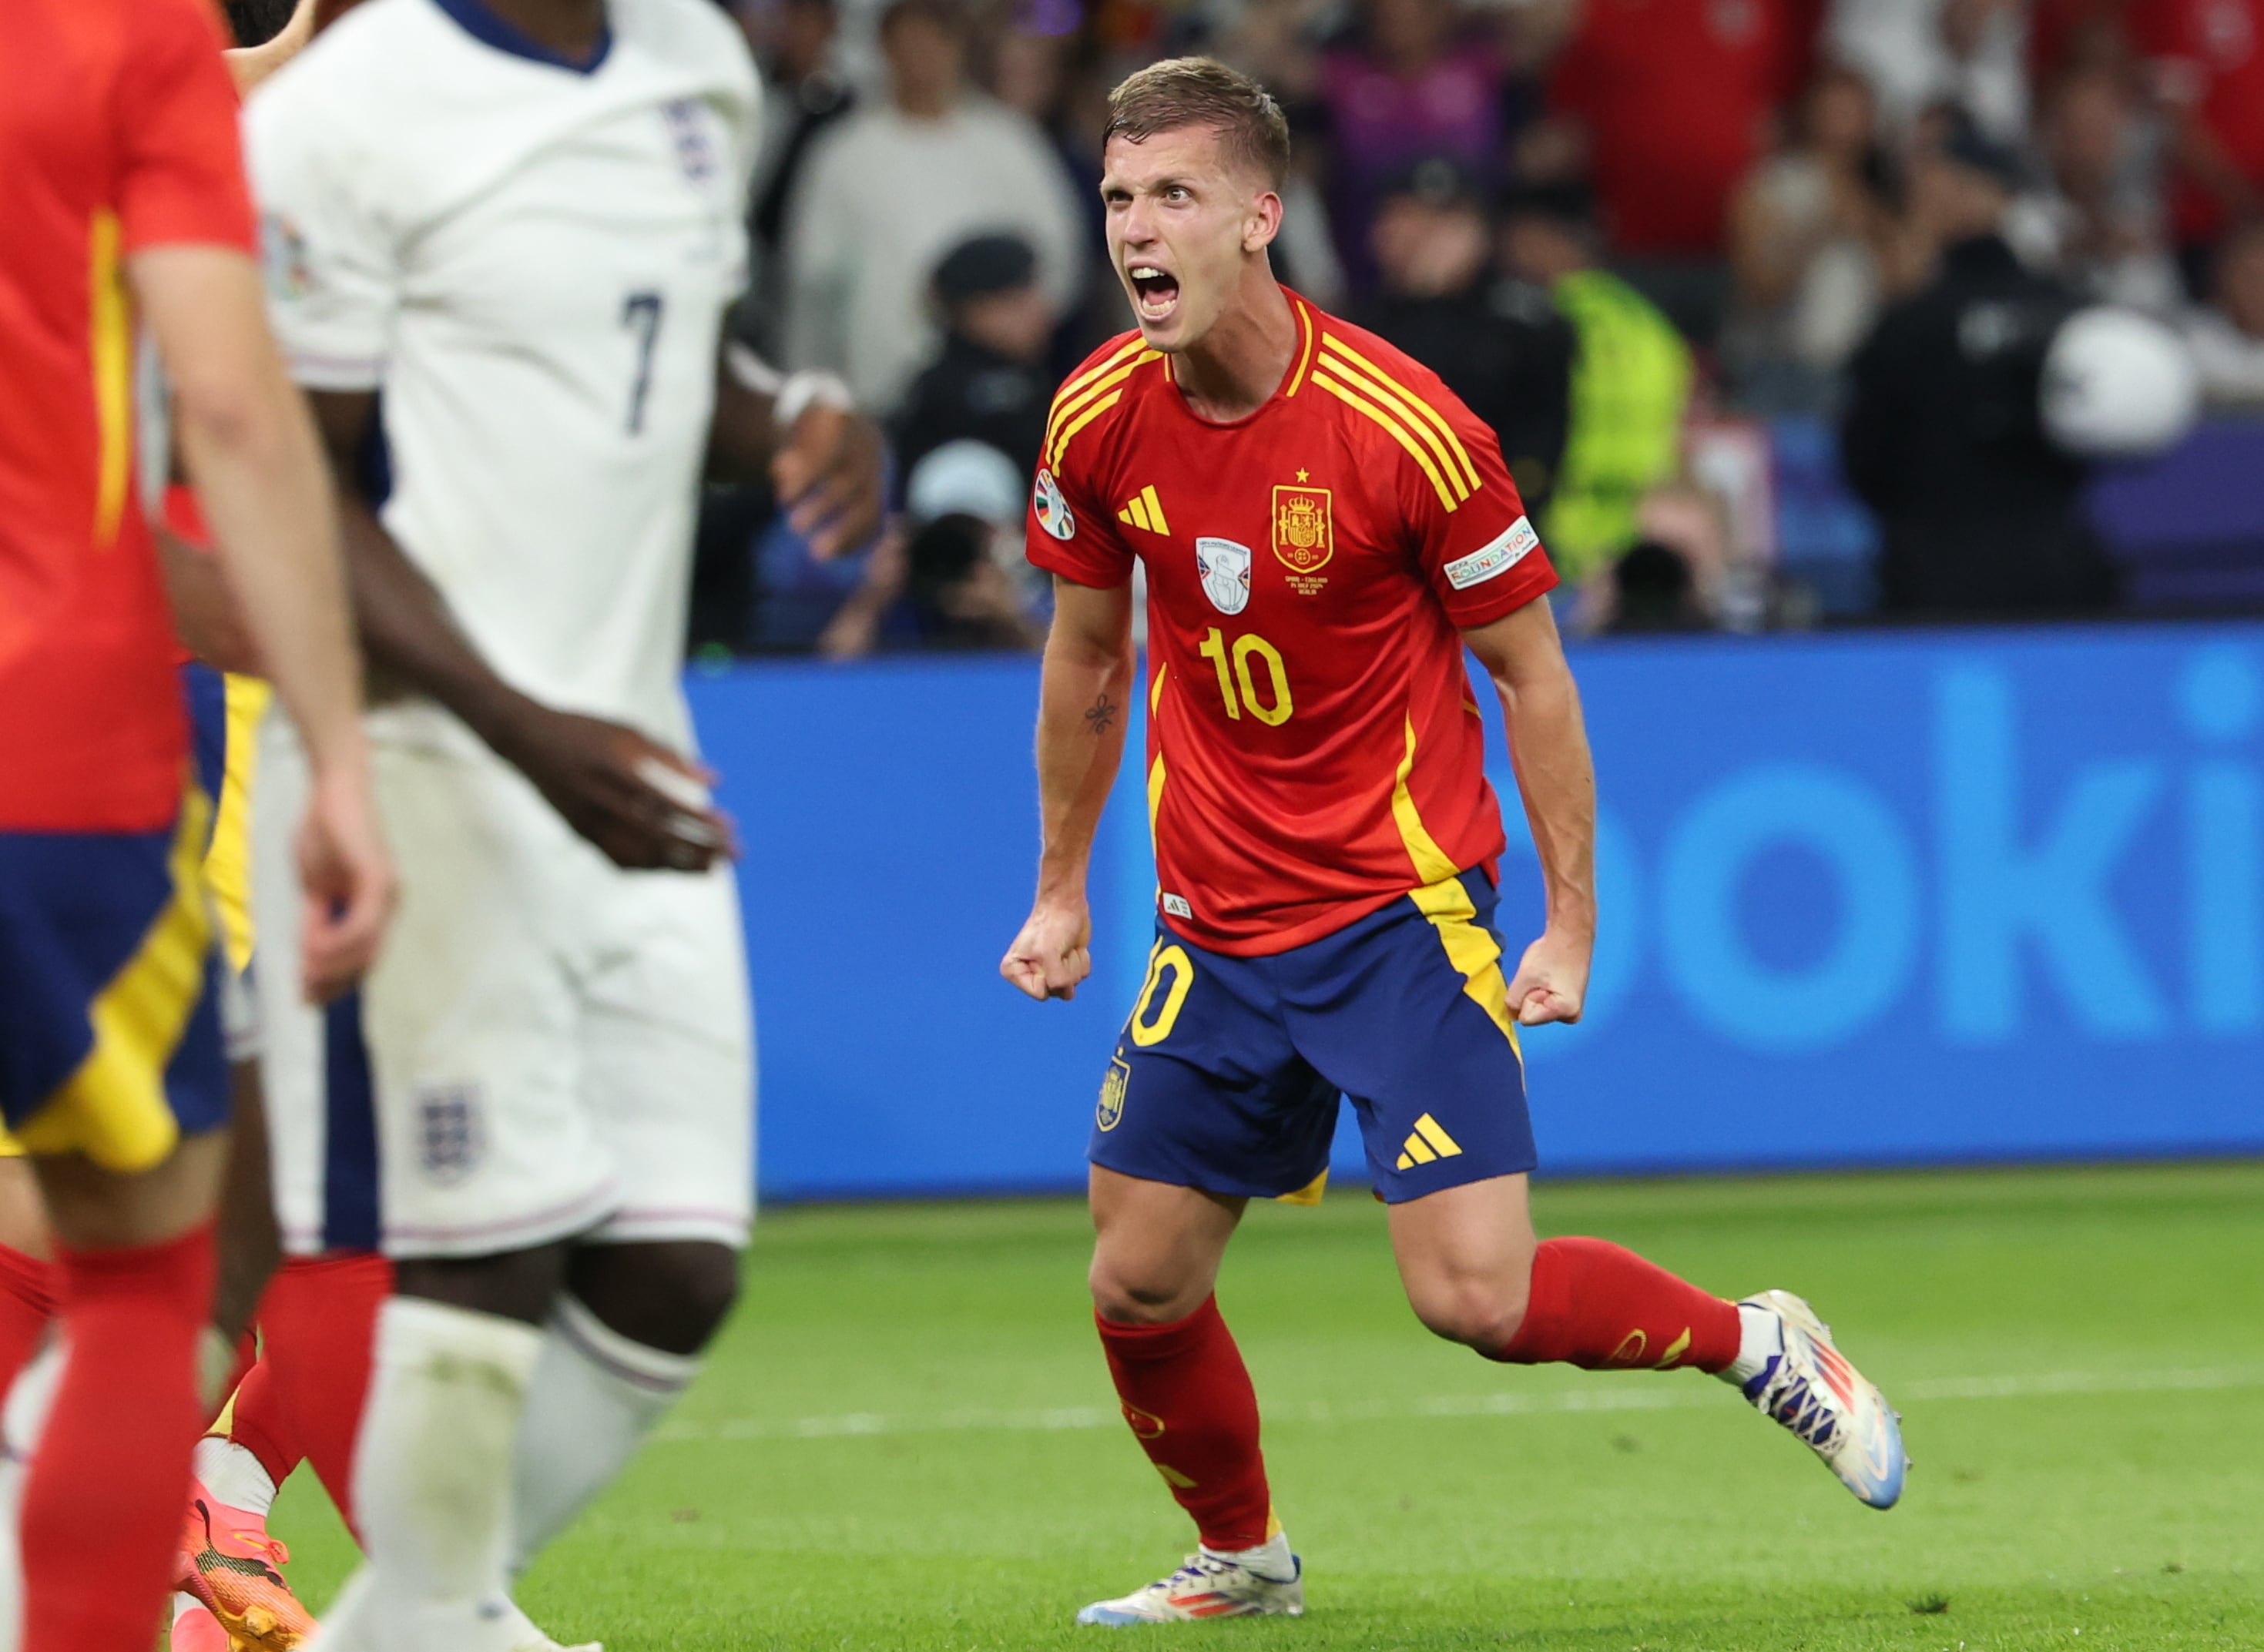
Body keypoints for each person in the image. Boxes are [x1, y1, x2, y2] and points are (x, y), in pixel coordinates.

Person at [998, 55, 1907, 1628]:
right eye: (1117, 198)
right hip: (1213, 921)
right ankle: (1244, 1554)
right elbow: (1085, 657)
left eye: (1172, 196)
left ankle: (1749, 1340)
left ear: (1258, 217)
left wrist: (1566, 924)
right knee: (1133, 1279)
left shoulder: (1400, 428)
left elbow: (1531, 675)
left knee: (1473, 1298)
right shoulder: (1095, 417)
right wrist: (1060, 888)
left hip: (1393, 910)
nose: (1134, 229)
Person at [241, 0, 884, 1644]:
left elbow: (673, 343)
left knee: (678, 1265)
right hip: (433, 764)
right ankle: (433, 1622)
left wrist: (797, 414)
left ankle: (405, 1623)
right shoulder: (340, 115)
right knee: (488, 1255)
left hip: (630, 755)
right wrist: (523, 727)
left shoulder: (694, 65)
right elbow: (285, 482)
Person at [0, 0, 394, 1645]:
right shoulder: (114, 54)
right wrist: (341, 734)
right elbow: (232, 411)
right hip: (82, 708)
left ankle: (201, 1523)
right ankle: (217, 1541)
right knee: (164, 1232)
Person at [1842, 116, 2119, 614]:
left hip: (1935, 579)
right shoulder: (2065, 309)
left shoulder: (1909, 323)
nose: (1919, 195)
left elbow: (1865, 458)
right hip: (2056, 573)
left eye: (1932, 181)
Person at [782, 0, 1085, 412]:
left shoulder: (1010, 144)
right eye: (907, 43)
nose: (922, 57)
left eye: (936, 41)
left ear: (960, 48)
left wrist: (1014, 322)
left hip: (993, 398)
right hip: (875, 396)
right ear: (885, 50)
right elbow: (811, 283)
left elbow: (1060, 259)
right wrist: (813, 393)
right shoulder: (844, 152)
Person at [1497, 181, 1692, 589]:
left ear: (1538, 239)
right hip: (1638, 529)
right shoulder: (1648, 321)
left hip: (1558, 531)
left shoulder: (1539, 323)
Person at [1357, 155, 1571, 518]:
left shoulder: (1525, 322)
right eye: (1397, 218)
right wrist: (1424, 305)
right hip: (1379, 526)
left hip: (1500, 527)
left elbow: (1533, 454)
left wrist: (1435, 305)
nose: (1402, 236)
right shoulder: (1360, 323)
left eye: (1431, 225)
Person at [894, 233, 1060, 477]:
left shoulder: (1034, 375)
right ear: (976, 311)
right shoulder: (947, 397)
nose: (1039, 311)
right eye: (1016, 302)